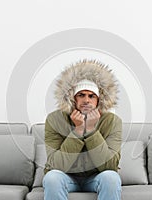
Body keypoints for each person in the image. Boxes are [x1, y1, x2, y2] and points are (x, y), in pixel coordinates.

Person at [43, 60, 122, 200]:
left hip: (96, 176)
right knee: (52, 178)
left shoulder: (112, 121)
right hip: (66, 176)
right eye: (81, 95)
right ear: (73, 99)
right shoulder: (54, 120)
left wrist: (91, 130)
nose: (86, 100)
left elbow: (110, 165)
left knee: (112, 178)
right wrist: (78, 130)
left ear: (99, 100)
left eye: (91, 96)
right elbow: (56, 165)